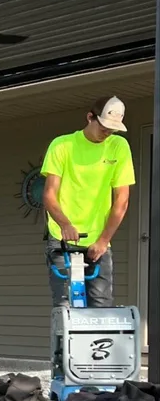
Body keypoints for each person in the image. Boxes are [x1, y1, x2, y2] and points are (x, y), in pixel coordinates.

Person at [41, 96, 135, 307]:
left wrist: (103, 241)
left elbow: (122, 199)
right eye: (103, 127)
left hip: (98, 239)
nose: (107, 133)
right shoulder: (62, 145)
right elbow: (49, 194)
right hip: (62, 238)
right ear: (90, 117)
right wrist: (65, 224)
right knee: (65, 306)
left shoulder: (119, 146)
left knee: (101, 306)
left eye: (112, 129)